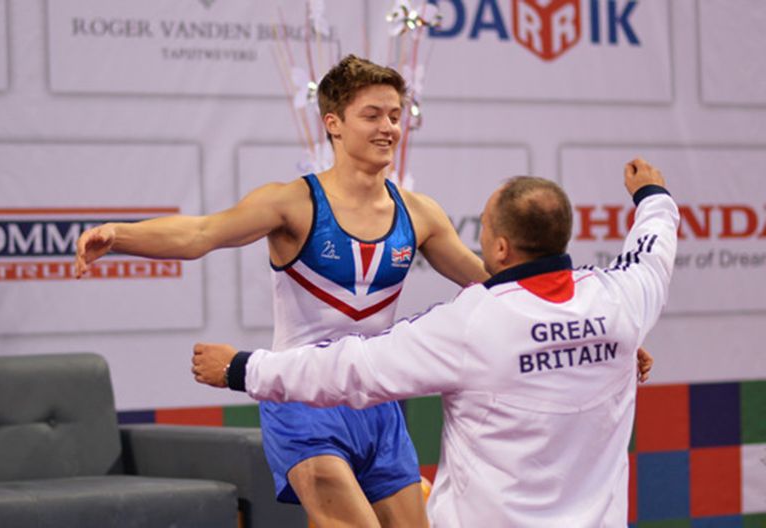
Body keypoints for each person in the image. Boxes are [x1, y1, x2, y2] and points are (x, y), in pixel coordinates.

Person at [75, 55, 491, 528]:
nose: (388, 128)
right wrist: (120, 235)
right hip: (301, 402)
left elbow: (490, 286)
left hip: (378, 406)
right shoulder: (292, 203)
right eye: (372, 115)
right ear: (333, 124)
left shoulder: (420, 214)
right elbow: (201, 234)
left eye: (395, 116)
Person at [191, 158, 677, 527]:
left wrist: (243, 369)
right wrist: (651, 193)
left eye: (483, 228)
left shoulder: (471, 323)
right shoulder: (620, 302)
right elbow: (654, 244)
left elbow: (352, 368)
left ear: (501, 247)